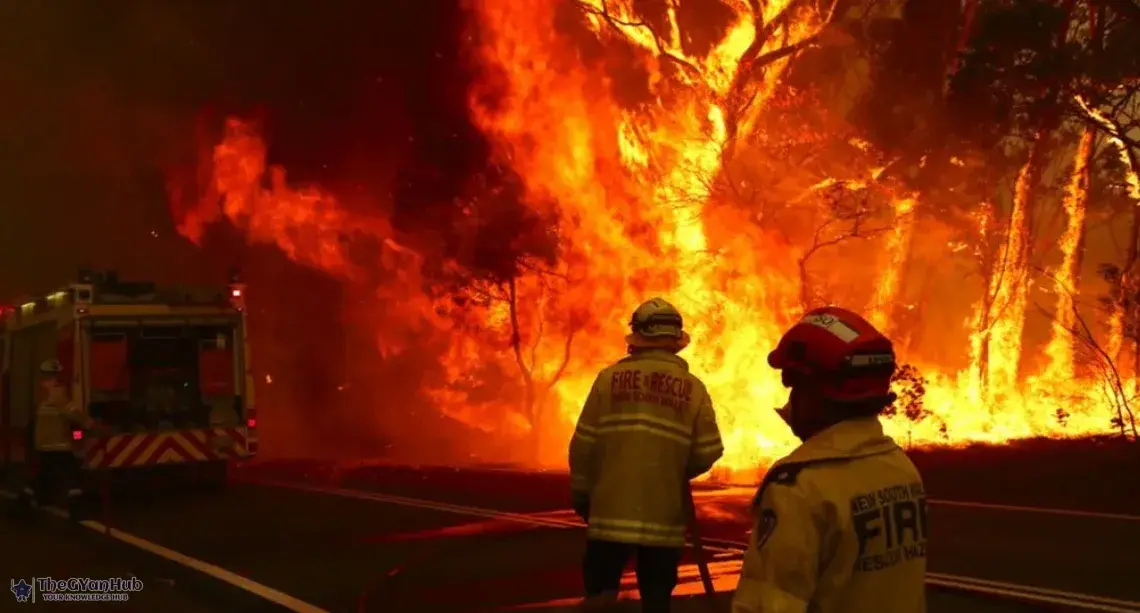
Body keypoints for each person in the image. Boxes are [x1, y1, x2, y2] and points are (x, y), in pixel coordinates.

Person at [731, 307, 927, 613]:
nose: (791, 400)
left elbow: (769, 604)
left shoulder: (800, 488)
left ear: (817, 392)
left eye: (795, 385)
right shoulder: (901, 468)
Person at [569, 297, 724, 612]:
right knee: (656, 602)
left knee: (600, 599)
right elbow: (710, 449)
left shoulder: (608, 379)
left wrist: (583, 493)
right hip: (663, 524)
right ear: (675, 341)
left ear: (637, 337)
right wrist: (675, 467)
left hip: (609, 518)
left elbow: (583, 444)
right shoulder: (694, 389)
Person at [23, 359, 90, 516]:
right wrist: (87, 427)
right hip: (60, 445)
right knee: (72, 474)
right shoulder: (58, 394)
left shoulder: (40, 395)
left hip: (43, 445)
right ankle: (76, 505)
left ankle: (26, 498)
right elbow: (74, 419)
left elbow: (35, 423)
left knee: (43, 474)